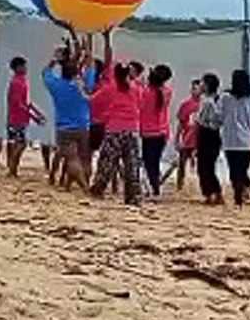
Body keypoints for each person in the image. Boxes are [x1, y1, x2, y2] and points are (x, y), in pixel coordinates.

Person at [42, 46, 95, 192]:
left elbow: (45, 73)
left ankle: (84, 186)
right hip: (84, 127)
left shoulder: (56, 85)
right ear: (77, 73)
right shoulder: (84, 85)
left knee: (71, 159)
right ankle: (86, 183)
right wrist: (87, 55)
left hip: (63, 128)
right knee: (85, 158)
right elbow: (91, 67)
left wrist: (54, 60)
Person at [91, 62, 144, 205]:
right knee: (132, 166)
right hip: (132, 130)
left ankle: (98, 189)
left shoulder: (110, 88)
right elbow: (140, 105)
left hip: (114, 130)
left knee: (106, 164)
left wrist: (80, 87)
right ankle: (132, 196)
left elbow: (92, 100)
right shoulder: (136, 89)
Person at [220, 69, 250, 207]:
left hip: (230, 141)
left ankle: (239, 199)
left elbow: (219, 115)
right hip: (246, 142)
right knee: (241, 171)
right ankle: (245, 194)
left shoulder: (225, 98)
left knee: (234, 172)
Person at [5, 56, 46, 177]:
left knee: (18, 144)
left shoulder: (22, 80)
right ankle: (12, 168)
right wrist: (34, 116)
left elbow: (26, 101)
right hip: (16, 118)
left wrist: (37, 112)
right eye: (23, 66)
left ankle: (12, 169)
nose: (26, 68)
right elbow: (18, 103)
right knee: (20, 144)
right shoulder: (17, 82)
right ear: (17, 67)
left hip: (19, 118)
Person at [139, 64, 173, 198]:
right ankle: (155, 186)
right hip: (163, 131)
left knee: (148, 162)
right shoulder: (167, 92)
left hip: (148, 132)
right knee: (155, 161)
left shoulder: (145, 92)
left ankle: (154, 187)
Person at [194, 73, 224, 204]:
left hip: (207, 135)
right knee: (209, 166)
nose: (199, 85)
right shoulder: (215, 100)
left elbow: (201, 121)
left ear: (206, 86)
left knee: (204, 167)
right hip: (214, 135)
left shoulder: (207, 102)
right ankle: (215, 193)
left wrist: (195, 120)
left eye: (202, 83)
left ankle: (210, 194)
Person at [171, 79, 202, 190]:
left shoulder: (205, 105)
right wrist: (176, 139)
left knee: (201, 166)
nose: (194, 91)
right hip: (187, 140)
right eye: (193, 88)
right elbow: (181, 123)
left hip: (200, 141)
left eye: (197, 88)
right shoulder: (186, 105)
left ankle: (199, 186)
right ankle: (180, 185)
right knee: (182, 164)